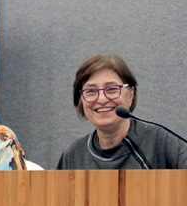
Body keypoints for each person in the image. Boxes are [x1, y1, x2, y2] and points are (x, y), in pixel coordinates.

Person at [57, 54, 187, 169]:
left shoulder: (159, 142)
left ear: (131, 95)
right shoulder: (73, 155)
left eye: (112, 89)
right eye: (91, 91)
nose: (102, 99)